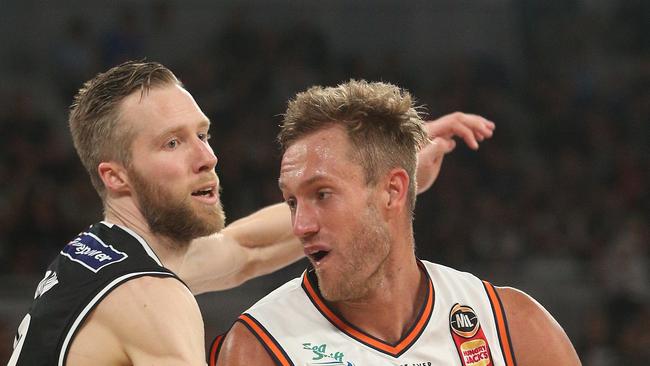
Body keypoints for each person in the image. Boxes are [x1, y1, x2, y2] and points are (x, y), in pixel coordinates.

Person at [7, 61, 494, 365]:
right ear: (115, 176)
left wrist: (378, 182)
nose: (206, 156)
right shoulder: (152, 299)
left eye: (203, 133)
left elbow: (244, 249)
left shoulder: (101, 258)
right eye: (172, 143)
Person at [214, 80, 581, 366]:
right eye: (292, 201)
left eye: (322, 194)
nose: (299, 227)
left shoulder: (513, 327)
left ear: (393, 191)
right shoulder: (261, 346)